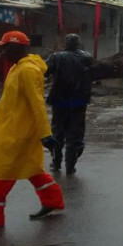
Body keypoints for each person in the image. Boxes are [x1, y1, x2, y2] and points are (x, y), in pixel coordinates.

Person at [0, 30, 64, 230]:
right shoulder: (16, 68)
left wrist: (45, 134)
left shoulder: (27, 70)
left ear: (17, 48)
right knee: (33, 170)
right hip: (10, 131)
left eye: (5, 47)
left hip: (17, 135)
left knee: (0, 174)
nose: (1, 51)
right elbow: (6, 105)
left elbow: (37, 105)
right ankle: (53, 201)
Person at [45, 34, 93, 175]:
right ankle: (70, 165)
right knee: (76, 133)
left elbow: (44, 71)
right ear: (78, 43)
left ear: (65, 43)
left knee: (58, 132)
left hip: (60, 100)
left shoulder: (56, 57)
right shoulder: (87, 57)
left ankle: (56, 161)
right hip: (79, 100)